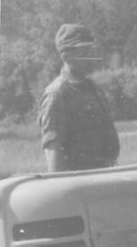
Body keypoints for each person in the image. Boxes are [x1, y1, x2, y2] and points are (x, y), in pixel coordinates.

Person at [38, 24, 120, 172]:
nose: (91, 58)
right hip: (80, 181)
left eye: (91, 51)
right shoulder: (57, 93)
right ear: (66, 56)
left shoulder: (92, 87)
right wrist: (61, 190)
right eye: (84, 53)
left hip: (105, 174)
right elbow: (53, 150)